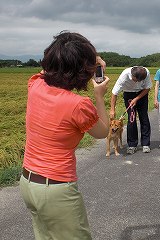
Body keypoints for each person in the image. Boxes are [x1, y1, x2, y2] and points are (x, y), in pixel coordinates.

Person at [19, 31, 110, 240]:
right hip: (56, 189)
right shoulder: (78, 105)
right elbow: (103, 132)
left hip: (28, 182)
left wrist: (85, 58)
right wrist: (99, 95)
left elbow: (46, 70)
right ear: (83, 70)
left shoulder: (35, 85)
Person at [110, 66, 152, 154]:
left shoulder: (146, 72)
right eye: (135, 80)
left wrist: (137, 98)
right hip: (128, 94)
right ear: (132, 75)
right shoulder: (124, 75)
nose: (137, 82)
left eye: (139, 81)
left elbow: (147, 88)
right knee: (131, 119)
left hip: (142, 94)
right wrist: (112, 109)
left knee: (144, 118)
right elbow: (114, 93)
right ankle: (132, 145)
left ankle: (145, 144)